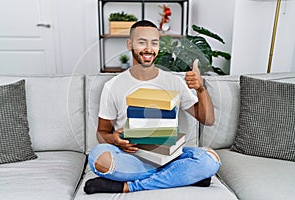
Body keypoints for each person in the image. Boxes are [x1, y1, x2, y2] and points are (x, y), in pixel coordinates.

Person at [84, 20, 220, 194]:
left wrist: (200, 89)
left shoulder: (173, 82)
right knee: (98, 157)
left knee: (210, 159)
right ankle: (179, 176)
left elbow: (208, 120)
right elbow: (102, 133)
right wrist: (114, 140)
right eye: (142, 42)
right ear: (129, 44)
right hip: (131, 157)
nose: (149, 48)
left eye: (154, 43)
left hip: (169, 155)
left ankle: (130, 186)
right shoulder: (113, 86)